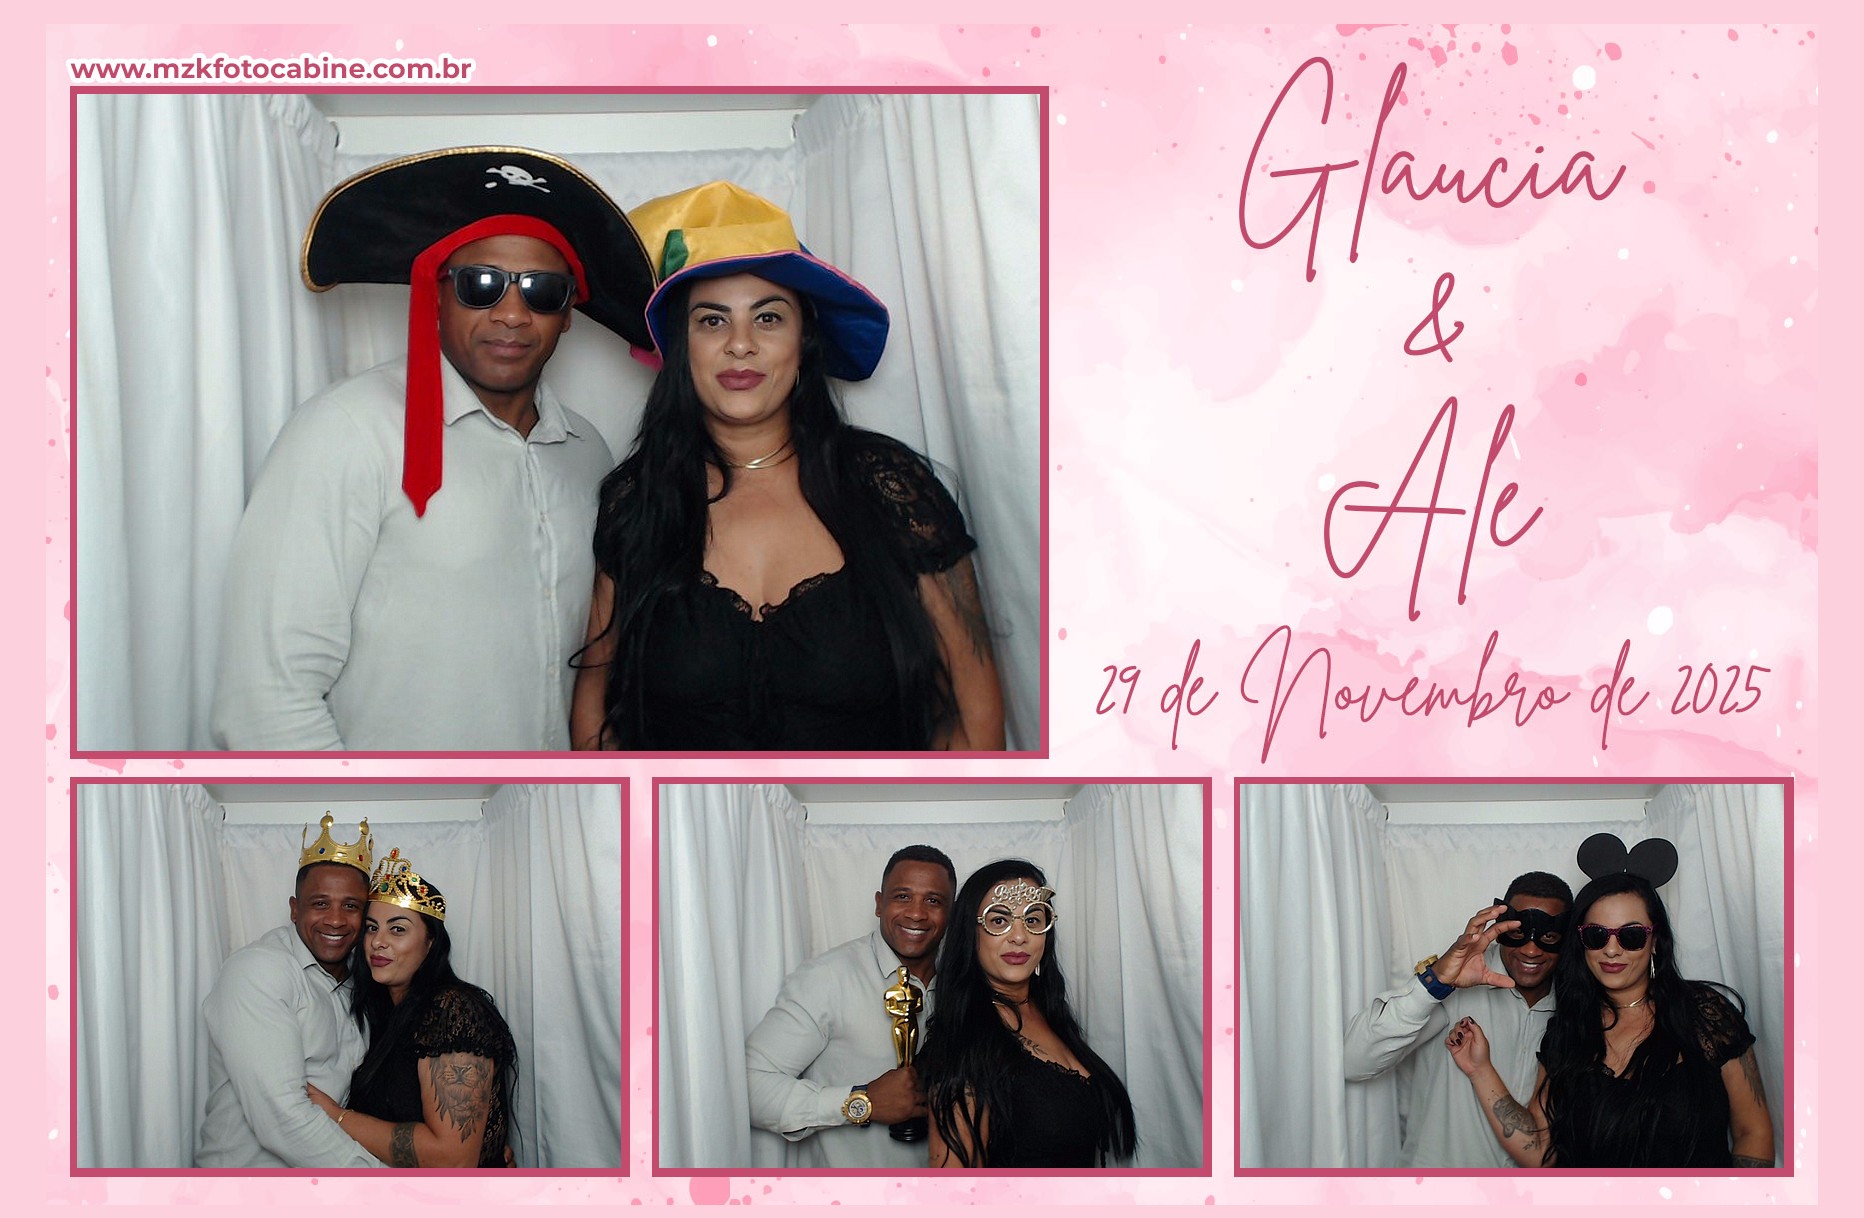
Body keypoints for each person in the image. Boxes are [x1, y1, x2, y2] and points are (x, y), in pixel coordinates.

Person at [212, 146, 656, 750]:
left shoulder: (587, 454)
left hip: (552, 808)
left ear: (568, 313)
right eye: (481, 285)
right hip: (398, 812)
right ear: (436, 294)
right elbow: (263, 703)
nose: (512, 313)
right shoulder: (346, 432)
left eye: (542, 291)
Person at [570, 180, 1004, 751]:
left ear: (804, 342)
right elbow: (594, 710)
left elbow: (975, 719)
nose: (740, 344)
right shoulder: (638, 498)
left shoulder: (889, 488)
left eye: (769, 318)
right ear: (680, 349)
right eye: (712, 320)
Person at [1447, 837, 1775, 1168]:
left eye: (1631, 936)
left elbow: (1753, 1131)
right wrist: (1480, 1071)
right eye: (1597, 935)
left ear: (1655, 940)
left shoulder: (1704, 1013)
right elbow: (1540, 1150)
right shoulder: (1568, 1029)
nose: (1612, 950)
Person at [306, 848, 519, 1168]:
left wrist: (334, 1116)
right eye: (372, 927)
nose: (378, 941)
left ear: (430, 942)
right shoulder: (381, 1012)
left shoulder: (452, 1011)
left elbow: (452, 1159)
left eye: (398, 929)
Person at [1342, 872, 1572, 1168]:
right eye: (1518, 932)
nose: (1531, 949)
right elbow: (1354, 1061)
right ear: (1500, 922)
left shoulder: (1576, 1009)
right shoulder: (1456, 984)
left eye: (1549, 936)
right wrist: (1435, 983)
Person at [744, 845, 955, 1167]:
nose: (916, 913)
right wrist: (862, 1101)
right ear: (879, 904)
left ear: (952, 912)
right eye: (902, 896)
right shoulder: (827, 979)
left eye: (933, 901)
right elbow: (750, 1086)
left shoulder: (965, 986)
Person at [919, 859, 1137, 1168]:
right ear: (971, 933)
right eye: (999, 921)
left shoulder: (1050, 1014)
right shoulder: (964, 1046)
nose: (1019, 936)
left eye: (1033, 919)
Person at [197, 815, 383, 1167]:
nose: (335, 920)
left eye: (351, 906)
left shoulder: (362, 984)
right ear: (295, 910)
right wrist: (385, 1186)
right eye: (320, 903)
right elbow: (282, 1120)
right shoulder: (259, 970)